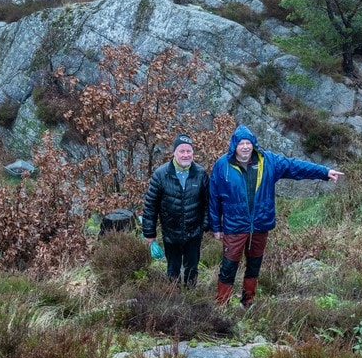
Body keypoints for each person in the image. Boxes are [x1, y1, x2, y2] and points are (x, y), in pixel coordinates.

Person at [209, 124, 343, 306]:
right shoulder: (222, 165)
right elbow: (214, 197)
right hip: (234, 226)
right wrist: (216, 226)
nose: (245, 147)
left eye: (248, 143)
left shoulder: (268, 161)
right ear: (234, 145)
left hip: (260, 225)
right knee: (228, 266)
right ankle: (221, 305)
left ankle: (247, 302)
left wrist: (324, 172)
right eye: (241, 143)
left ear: (253, 144)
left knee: (254, 265)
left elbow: (295, 167)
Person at [142, 133, 210, 285]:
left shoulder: (200, 174)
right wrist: (149, 233)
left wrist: (205, 225)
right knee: (173, 268)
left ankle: (191, 293)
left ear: (193, 153)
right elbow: (150, 206)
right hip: (170, 233)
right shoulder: (161, 174)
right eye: (182, 151)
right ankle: (174, 294)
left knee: (192, 267)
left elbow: (208, 202)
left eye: (188, 151)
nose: (185, 155)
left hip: (194, 233)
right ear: (174, 153)